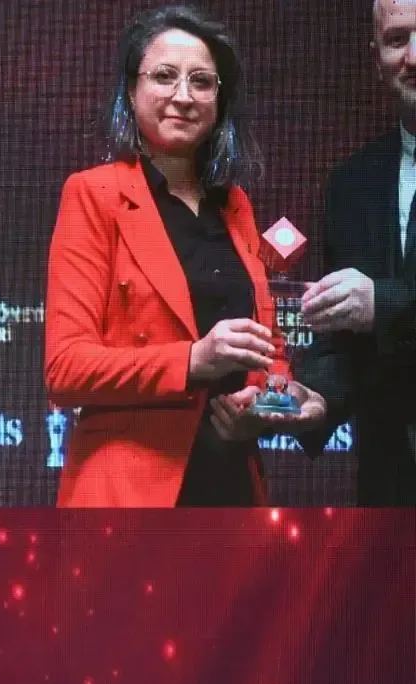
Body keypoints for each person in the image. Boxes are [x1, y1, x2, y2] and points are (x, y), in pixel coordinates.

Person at [42, 4, 326, 507]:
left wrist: (275, 398)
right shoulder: (94, 194)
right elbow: (65, 369)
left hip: (232, 482)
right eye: (164, 76)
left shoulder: (235, 205)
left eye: (201, 81)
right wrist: (194, 360)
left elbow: (267, 349)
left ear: (219, 100)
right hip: (130, 494)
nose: (183, 96)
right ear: (132, 91)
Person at [293, 0, 416, 506]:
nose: (413, 56)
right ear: (376, 55)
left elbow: (372, 310)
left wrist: (382, 305)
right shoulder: (352, 182)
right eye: (397, 39)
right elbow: (342, 337)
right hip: (389, 489)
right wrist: (317, 398)